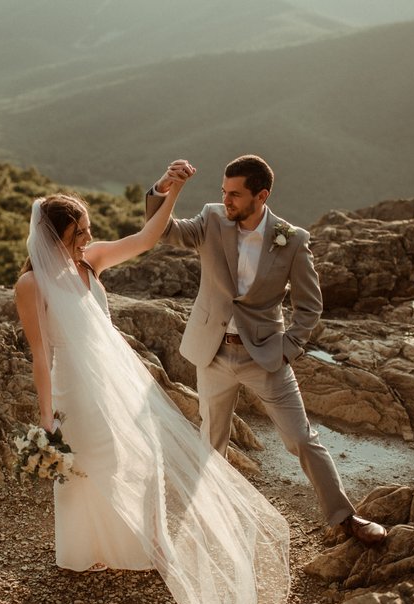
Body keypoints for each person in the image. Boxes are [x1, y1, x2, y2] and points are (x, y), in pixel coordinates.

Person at [14, 183, 290, 604]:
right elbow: (40, 356)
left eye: (88, 230)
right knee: (86, 464)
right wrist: (44, 415)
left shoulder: (90, 262)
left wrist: (172, 189)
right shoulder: (31, 285)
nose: (88, 237)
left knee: (143, 457)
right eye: (79, 232)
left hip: (117, 380)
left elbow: (145, 237)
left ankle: (145, 544)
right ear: (56, 235)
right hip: (72, 388)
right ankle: (83, 550)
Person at [148, 155, 387, 548]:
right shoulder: (211, 218)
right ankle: (199, 521)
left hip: (267, 357)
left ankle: (345, 517)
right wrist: (166, 188)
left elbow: (310, 306)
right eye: (224, 192)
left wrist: (288, 348)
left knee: (301, 439)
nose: (226, 200)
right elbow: (166, 232)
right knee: (211, 441)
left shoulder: (292, 240)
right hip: (213, 353)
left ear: (262, 195)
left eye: (235, 195)